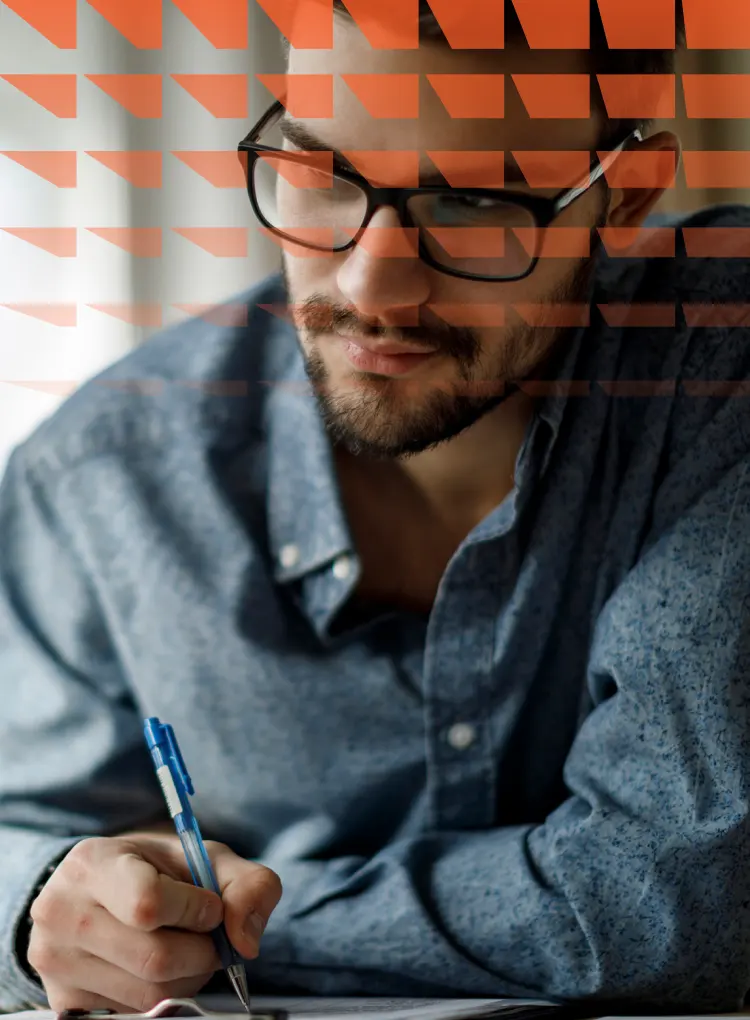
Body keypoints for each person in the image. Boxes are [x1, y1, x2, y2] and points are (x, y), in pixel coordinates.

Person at [2, 0, 750, 1013]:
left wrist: (239, 924)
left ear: (625, 197)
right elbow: (20, 838)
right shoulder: (101, 477)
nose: (372, 287)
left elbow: (676, 902)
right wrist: (49, 900)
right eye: (320, 175)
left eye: (474, 203)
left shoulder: (724, 373)